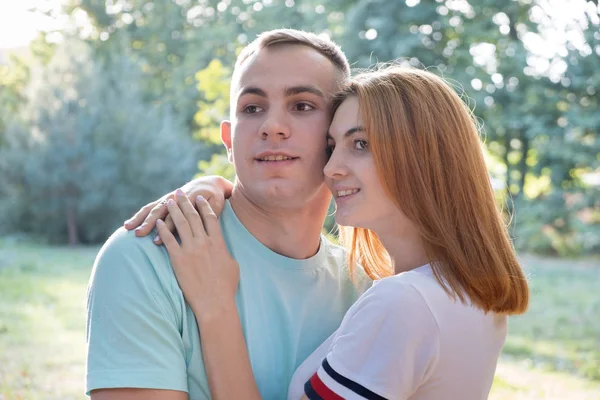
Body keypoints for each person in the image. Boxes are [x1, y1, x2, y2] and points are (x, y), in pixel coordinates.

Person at [142, 66, 530, 399]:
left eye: (360, 144)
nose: (331, 168)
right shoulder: (469, 293)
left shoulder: (403, 302)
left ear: (422, 156)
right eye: (332, 146)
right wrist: (219, 185)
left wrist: (215, 305)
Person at [85, 29, 371, 400]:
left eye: (301, 105)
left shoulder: (370, 289)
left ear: (339, 135)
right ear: (229, 140)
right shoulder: (145, 255)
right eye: (252, 108)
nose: (271, 126)